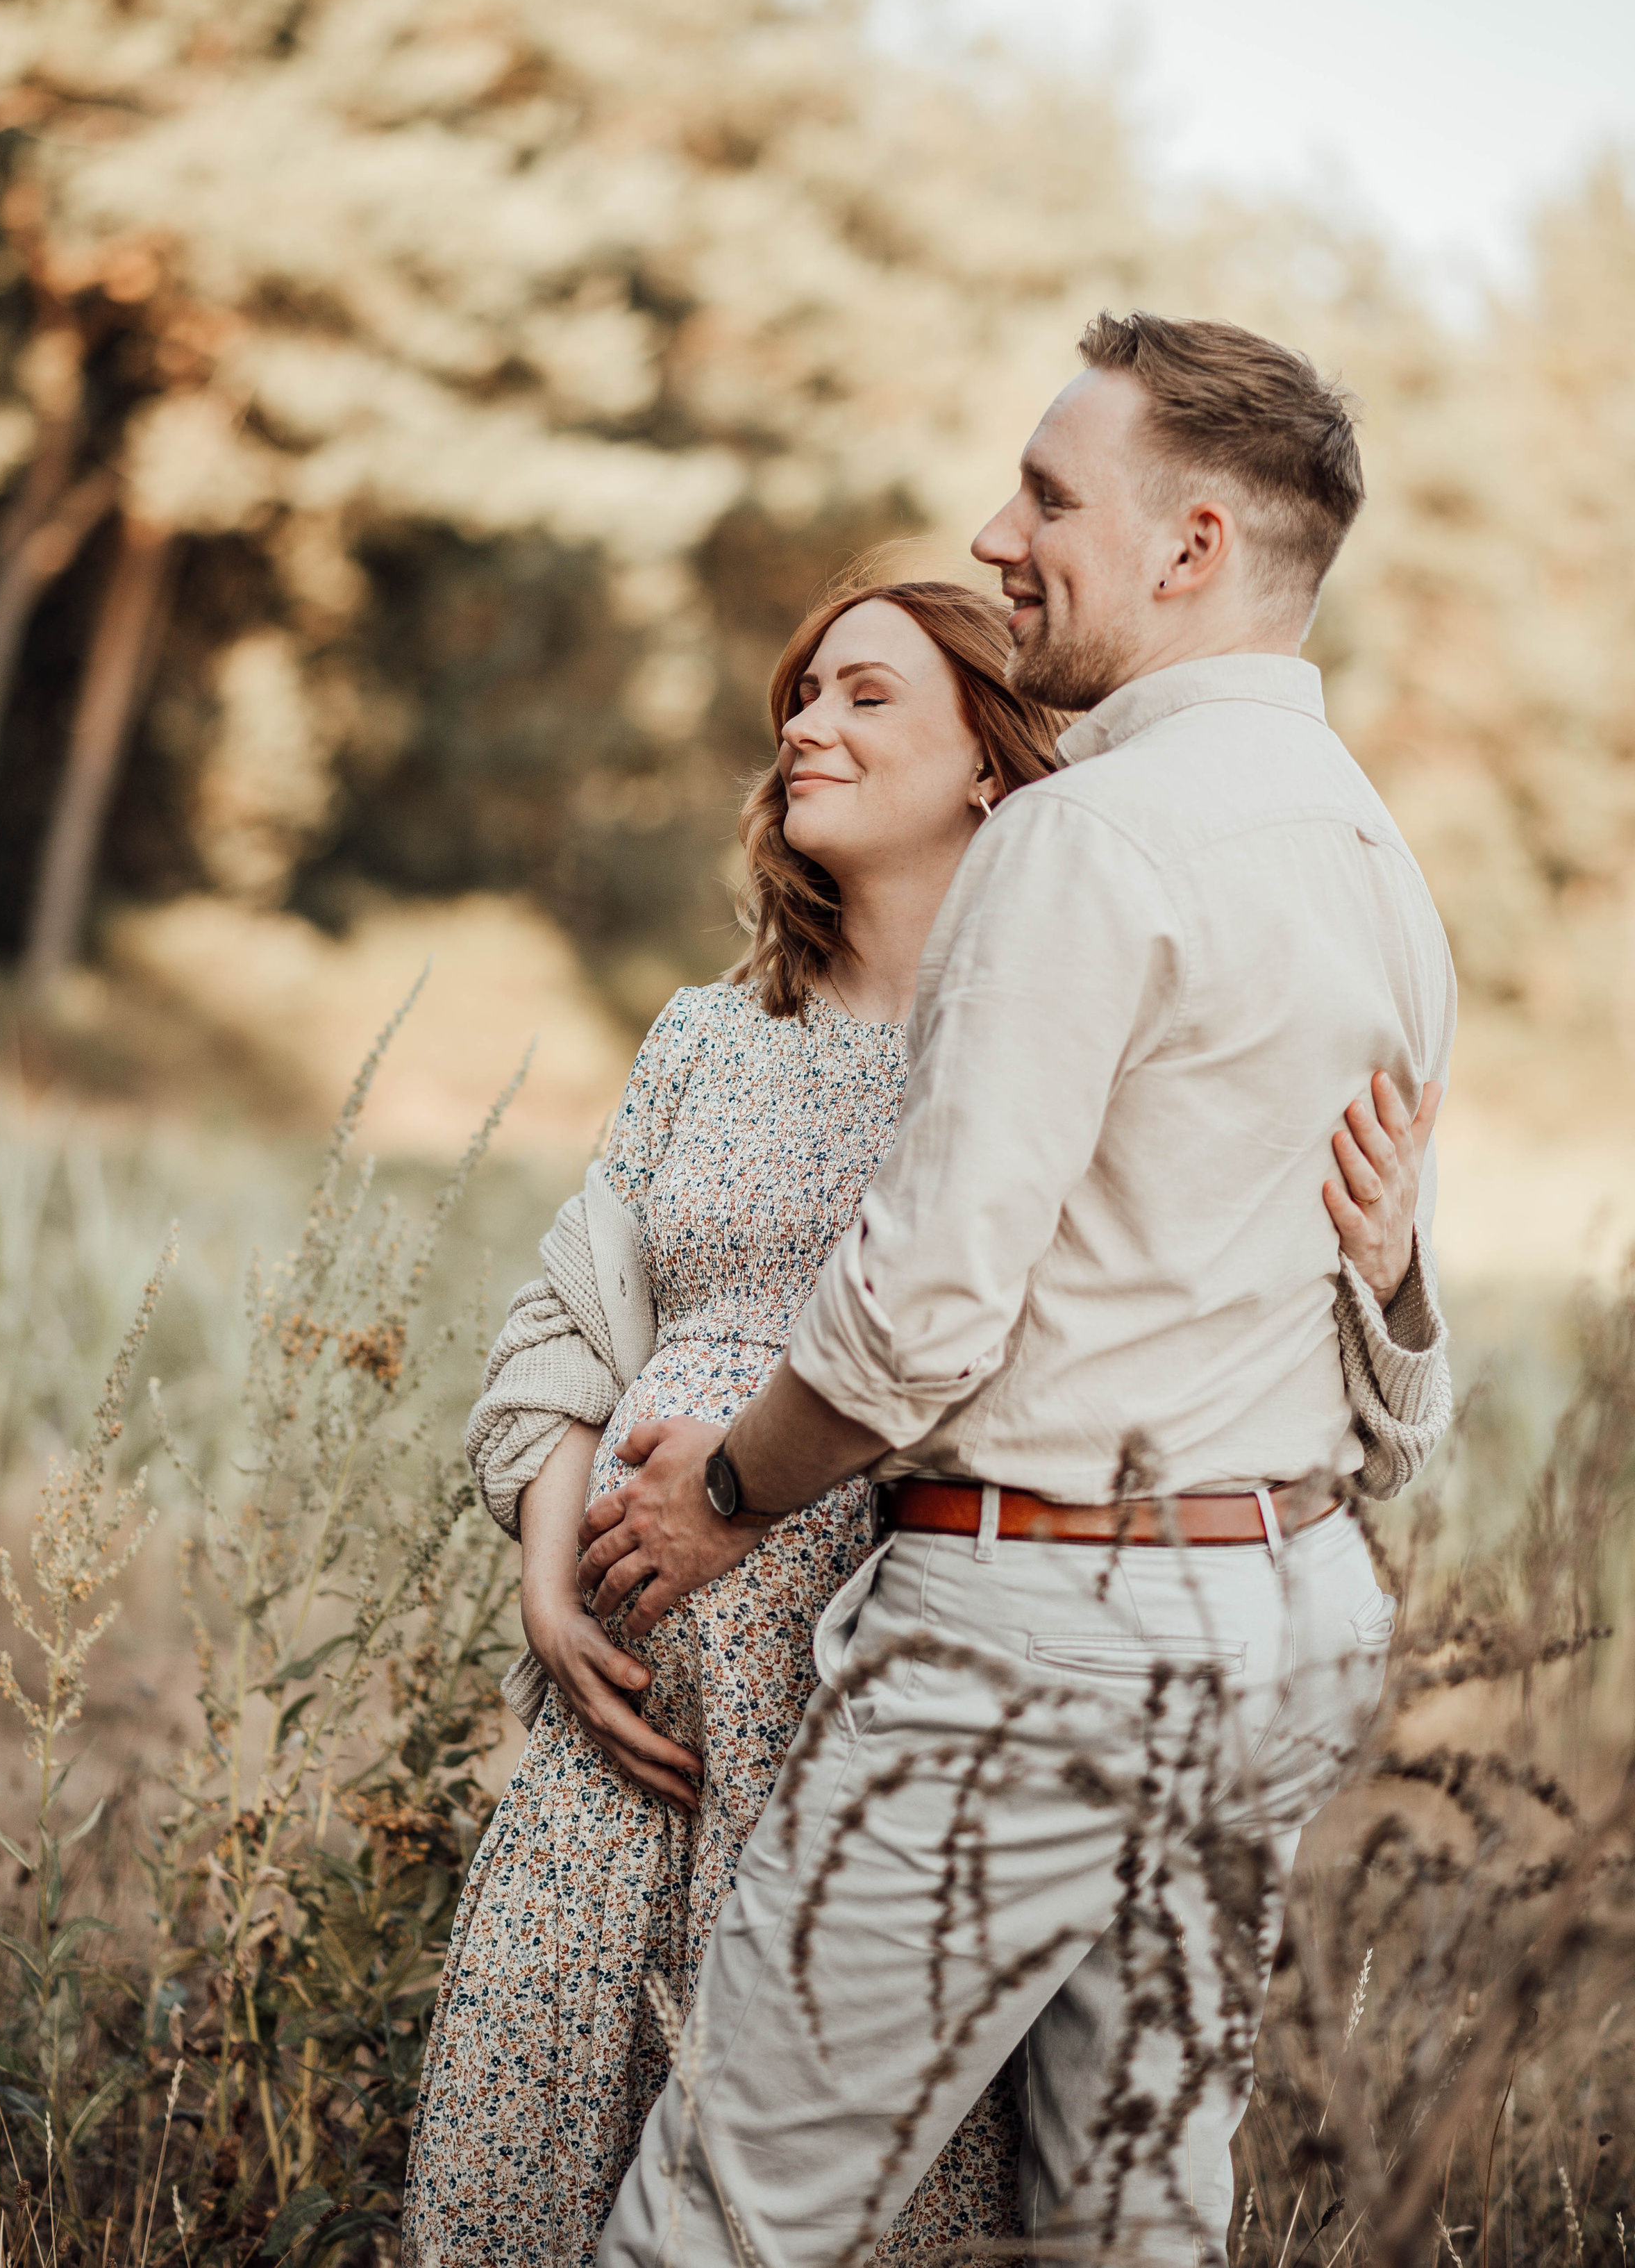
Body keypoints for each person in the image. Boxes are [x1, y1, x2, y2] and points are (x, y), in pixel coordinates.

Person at [401, 561, 1448, 2265]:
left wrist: (1390, 1269)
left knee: (814, 2212)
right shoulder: (705, 1038)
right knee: (551, 2194)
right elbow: (559, 1330)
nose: (806, 726)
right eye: (798, 701)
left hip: (891, 1724)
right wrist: (547, 1570)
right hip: (628, 1758)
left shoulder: (1066, 1025)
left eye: (863, 694)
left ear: (988, 759)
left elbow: (1326, 1397)